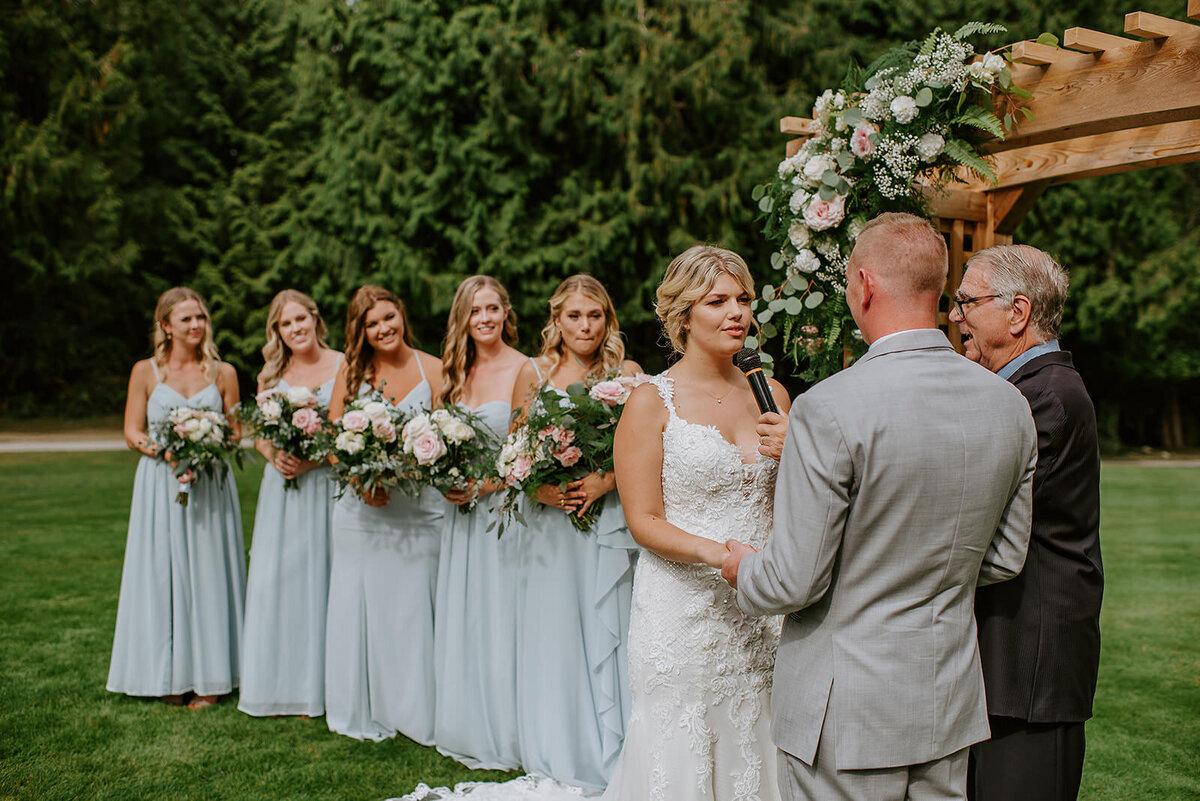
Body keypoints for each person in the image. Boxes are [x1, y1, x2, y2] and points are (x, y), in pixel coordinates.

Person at [723, 212, 1039, 801]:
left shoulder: (829, 407)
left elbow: (794, 580)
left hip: (846, 708)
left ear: (864, 286)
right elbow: (1004, 559)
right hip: (947, 698)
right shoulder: (1010, 405)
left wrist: (745, 569)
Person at [604, 245, 790, 800]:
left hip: (763, 607)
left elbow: (791, 504)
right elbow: (643, 520)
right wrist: (720, 555)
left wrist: (801, 450)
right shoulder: (649, 402)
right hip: (682, 611)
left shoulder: (772, 394)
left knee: (760, 742)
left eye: (743, 299)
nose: (738, 313)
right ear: (682, 315)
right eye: (718, 301)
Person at [950, 245, 1103, 801]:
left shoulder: (1047, 398)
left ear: (1017, 313)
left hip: (1030, 661)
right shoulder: (1021, 390)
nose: (954, 315)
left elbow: (969, 505)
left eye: (966, 301)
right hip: (1006, 657)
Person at [508, 274, 642, 790]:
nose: (585, 326)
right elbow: (515, 455)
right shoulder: (535, 373)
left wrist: (605, 481)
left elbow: (649, 445)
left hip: (607, 525)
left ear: (608, 320)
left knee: (610, 625)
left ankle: (617, 747)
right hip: (551, 531)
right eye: (574, 316)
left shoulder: (627, 373)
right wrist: (542, 491)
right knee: (558, 630)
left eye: (595, 315)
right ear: (556, 321)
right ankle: (562, 748)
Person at [108, 287, 245, 710]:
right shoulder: (145, 371)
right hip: (160, 485)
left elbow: (236, 432)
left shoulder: (223, 373)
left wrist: (207, 441)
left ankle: (211, 678)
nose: (196, 324)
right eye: (185, 318)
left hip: (210, 484)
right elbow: (133, 431)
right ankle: (167, 674)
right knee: (163, 573)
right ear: (165, 326)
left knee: (207, 573)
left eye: (200, 316)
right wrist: (166, 451)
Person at [324, 285, 444, 743]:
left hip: (417, 508)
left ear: (402, 316)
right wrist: (361, 481)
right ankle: (366, 705)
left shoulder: (430, 367)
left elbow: (446, 436)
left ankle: (417, 710)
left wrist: (413, 468)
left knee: (413, 608)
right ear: (361, 331)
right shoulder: (351, 373)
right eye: (372, 324)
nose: (383, 329)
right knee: (365, 606)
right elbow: (335, 441)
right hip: (362, 513)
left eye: (389, 318)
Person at [432, 276, 528, 769]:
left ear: (505, 313)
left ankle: (507, 728)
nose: (485, 318)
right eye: (475, 311)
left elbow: (524, 450)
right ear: (464, 319)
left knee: (499, 610)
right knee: (465, 610)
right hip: (460, 512)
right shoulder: (454, 372)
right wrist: (440, 475)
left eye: (492, 308)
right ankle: (465, 720)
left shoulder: (522, 368)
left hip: (501, 511)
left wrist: (483, 487)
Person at [238, 290, 342, 719]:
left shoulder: (344, 364)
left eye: (301, 319)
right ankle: (278, 686)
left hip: (326, 484)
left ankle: (319, 689)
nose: (295, 328)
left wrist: (313, 459)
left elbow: (352, 429)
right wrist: (273, 455)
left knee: (325, 578)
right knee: (278, 581)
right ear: (277, 331)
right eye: (286, 323)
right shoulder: (270, 374)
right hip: (282, 489)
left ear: (316, 320)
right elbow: (259, 432)